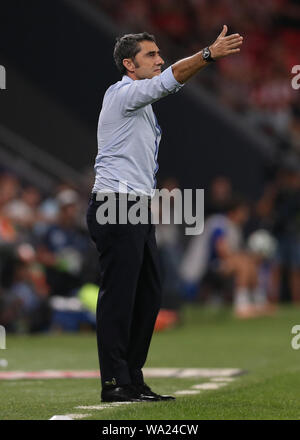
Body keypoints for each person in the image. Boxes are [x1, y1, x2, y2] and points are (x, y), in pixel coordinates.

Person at [86, 27, 243, 403]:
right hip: (115, 204)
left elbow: (166, 83)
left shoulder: (139, 102)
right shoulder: (122, 93)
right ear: (129, 64)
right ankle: (114, 383)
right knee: (120, 297)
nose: (159, 59)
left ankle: (132, 378)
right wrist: (207, 54)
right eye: (151, 55)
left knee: (148, 296)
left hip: (134, 206)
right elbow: (168, 82)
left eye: (159, 53)